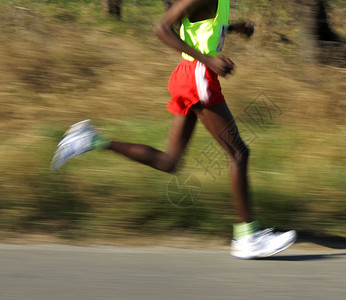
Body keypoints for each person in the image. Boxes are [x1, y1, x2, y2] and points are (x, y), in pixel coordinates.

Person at [51, 0, 296, 259]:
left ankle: (91, 141)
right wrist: (208, 59)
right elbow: (161, 28)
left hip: (188, 74)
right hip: (198, 75)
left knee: (170, 162)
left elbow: (195, 27)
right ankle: (248, 237)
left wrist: (233, 28)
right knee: (238, 153)